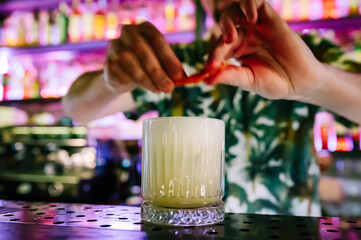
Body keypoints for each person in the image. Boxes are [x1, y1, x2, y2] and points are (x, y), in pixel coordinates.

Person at [62, 0, 361, 216]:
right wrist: (111, 81)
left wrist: (317, 82)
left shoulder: (312, 52)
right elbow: (76, 109)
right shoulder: (173, 61)